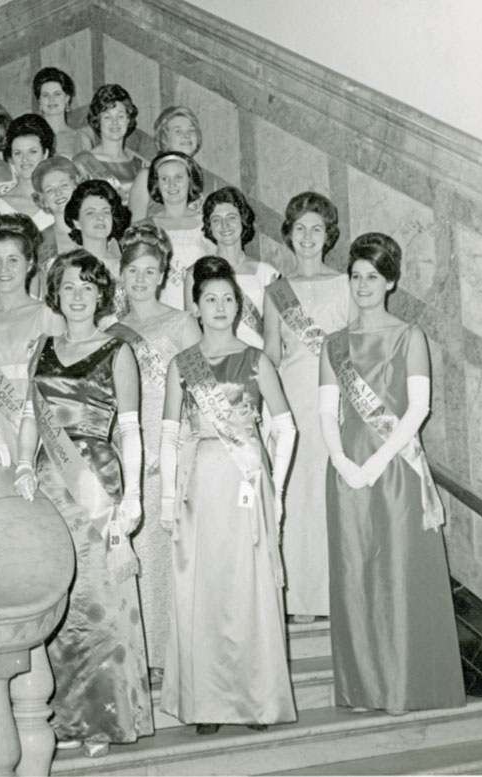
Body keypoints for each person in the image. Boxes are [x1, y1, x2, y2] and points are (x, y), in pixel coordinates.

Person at [14, 250, 152, 758]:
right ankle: (62, 718)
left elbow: (131, 430)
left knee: (99, 603)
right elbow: (29, 416)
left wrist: (133, 498)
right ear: (56, 292)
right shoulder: (43, 346)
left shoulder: (118, 350)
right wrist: (23, 464)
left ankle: (102, 720)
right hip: (49, 486)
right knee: (60, 602)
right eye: (69, 286)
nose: (77, 296)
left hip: (96, 480)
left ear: (101, 295)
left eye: (87, 287)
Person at [319, 233, 464, 715]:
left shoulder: (409, 336)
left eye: (373, 277)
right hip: (347, 469)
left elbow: (418, 408)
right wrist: (342, 460)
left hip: (396, 466)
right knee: (354, 572)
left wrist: (377, 463)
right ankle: (363, 688)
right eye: (356, 276)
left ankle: (407, 687)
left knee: (398, 572)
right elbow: (326, 411)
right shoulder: (334, 344)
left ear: (391, 282)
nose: (363, 285)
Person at [159, 256, 297, 733]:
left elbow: (286, 427)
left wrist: (276, 489)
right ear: (196, 307)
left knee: (248, 589)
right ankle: (207, 703)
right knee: (205, 589)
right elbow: (169, 435)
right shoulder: (182, 364)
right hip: (200, 486)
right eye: (210, 299)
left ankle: (255, 700)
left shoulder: (257, 360)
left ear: (239, 306)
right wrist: (167, 500)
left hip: (247, 482)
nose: (219, 306)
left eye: (228, 299)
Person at [263, 192, 352, 623]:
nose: (308, 237)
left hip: (337, 401)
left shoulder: (348, 284)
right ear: (289, 234)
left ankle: (339, 596)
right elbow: (271, 354)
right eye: (300, 228)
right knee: (296, 497)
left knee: (333, 495)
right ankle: (300, 599)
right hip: (294, 400)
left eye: (317, 228)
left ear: (328, 235)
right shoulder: (277, 291)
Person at [117, 223, 201, 676]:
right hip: (128, 445)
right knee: (139, 548)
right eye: (133, 270)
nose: (141, 279)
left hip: (171, 443)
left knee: (170, 549)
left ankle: (175, 654)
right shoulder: (111, 330)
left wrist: (182, 447)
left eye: (150, 271)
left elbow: (201, 389)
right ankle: (142, 652)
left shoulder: (181, 323)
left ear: (163, 274)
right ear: (121, 274)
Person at [0, 214, 64, 463]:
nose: (3, 269)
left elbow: (62, 389)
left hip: (46, 437)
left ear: (29, 264)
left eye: (13, 260)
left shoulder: (49, 316)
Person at [187, 186, 280, 348]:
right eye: (216, 220)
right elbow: (191, 333)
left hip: (257, 359)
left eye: (231, 217)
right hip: (214, 359)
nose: (225, 225)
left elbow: (274, 337)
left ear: (242, 220)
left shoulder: (267, 274)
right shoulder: (196, 272)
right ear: (209, 226)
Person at [137, 151, 214, 310]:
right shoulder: (144, 227)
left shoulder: (207, 224)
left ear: (190, 180)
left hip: (197, 310)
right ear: (156, 183)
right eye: (164, 179)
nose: (171, 184)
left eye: (178, 177)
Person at [65, 179, 131, 318]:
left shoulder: (127, 262)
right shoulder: (70, 267)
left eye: (106, 212)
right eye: (90, 213)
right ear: (76, 222)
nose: (100, 217)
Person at [72, 84, 145, 201]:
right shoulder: (82, 163)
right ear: (98, 121)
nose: (114, 122)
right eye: (107, 117)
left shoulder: (139, 164)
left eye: (120, 116)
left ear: (128, 120)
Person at [128, 106, 202, 220]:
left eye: (191, 130)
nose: (187, 135)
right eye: (178, 131)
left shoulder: (198, 176)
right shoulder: (147, 176)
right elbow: (135, 225)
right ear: (164, 139)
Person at [30, 156, 83, 289]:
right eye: (49, 190)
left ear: (77, 186)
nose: (58, 193)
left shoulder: (99, 231)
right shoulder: (38, 242)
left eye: (63, 185)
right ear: (43, 200)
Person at [0, 114, 55, 230]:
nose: (25, 160)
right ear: (11, 157)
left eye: (32, 152)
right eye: (18, 153)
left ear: (45, 153)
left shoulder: (58, 198)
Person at [32, 66, 92, 158]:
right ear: (39, 101)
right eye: (45, 95)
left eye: (57, 94)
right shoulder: (30, 137)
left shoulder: (82, 139)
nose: (51, 99)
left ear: (67, 98)